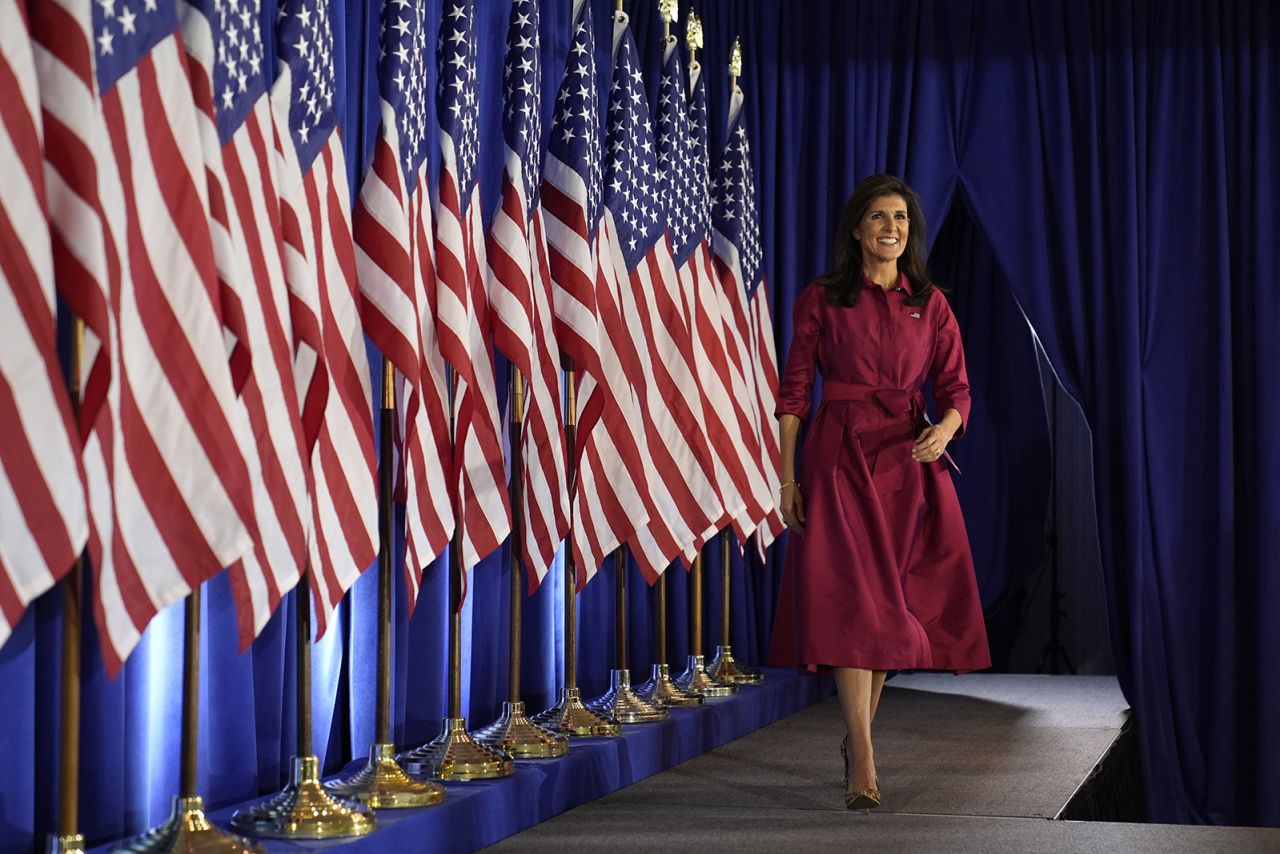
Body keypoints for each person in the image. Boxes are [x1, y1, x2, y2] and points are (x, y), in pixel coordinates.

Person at [768, 174, 991, 812]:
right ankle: (862, 757)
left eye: (899, 218)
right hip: (838, 458)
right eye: (877, 217)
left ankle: (856, 735)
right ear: (857, 231)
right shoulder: (822, 298)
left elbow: (958, 391)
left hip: (906, 463)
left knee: (896, 605)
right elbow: (793, 394)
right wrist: (787, 478)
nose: (891, 228)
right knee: (853, 605)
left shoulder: (932, 302)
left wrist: (945, 429)